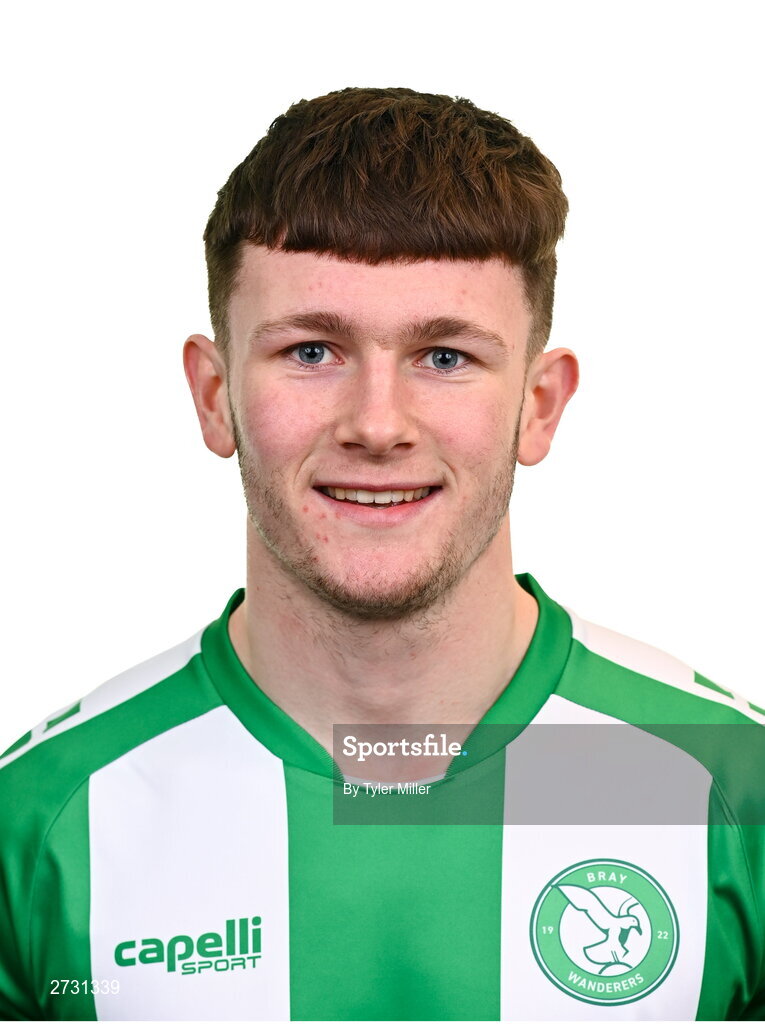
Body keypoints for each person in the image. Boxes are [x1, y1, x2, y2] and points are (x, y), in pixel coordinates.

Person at [1, 86, 763, 1022]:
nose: (375, 425)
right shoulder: (43, 818)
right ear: (212, 396)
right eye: (311, 351)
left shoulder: (730, 785)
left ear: (538, 406)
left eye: (443, 357)